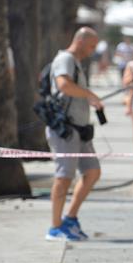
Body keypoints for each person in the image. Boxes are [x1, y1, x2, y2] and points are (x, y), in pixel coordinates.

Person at [44, 27, 104, 241]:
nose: (92, 51)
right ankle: (55, 226)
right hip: (66, 130)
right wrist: (88, 94)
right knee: (63, 177)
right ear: (80, 41)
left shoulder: (76, 62)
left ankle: (70, 218)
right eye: (91, 46)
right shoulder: (65, 59)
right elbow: (63, 85)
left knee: (93, 171)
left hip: (80, 129)